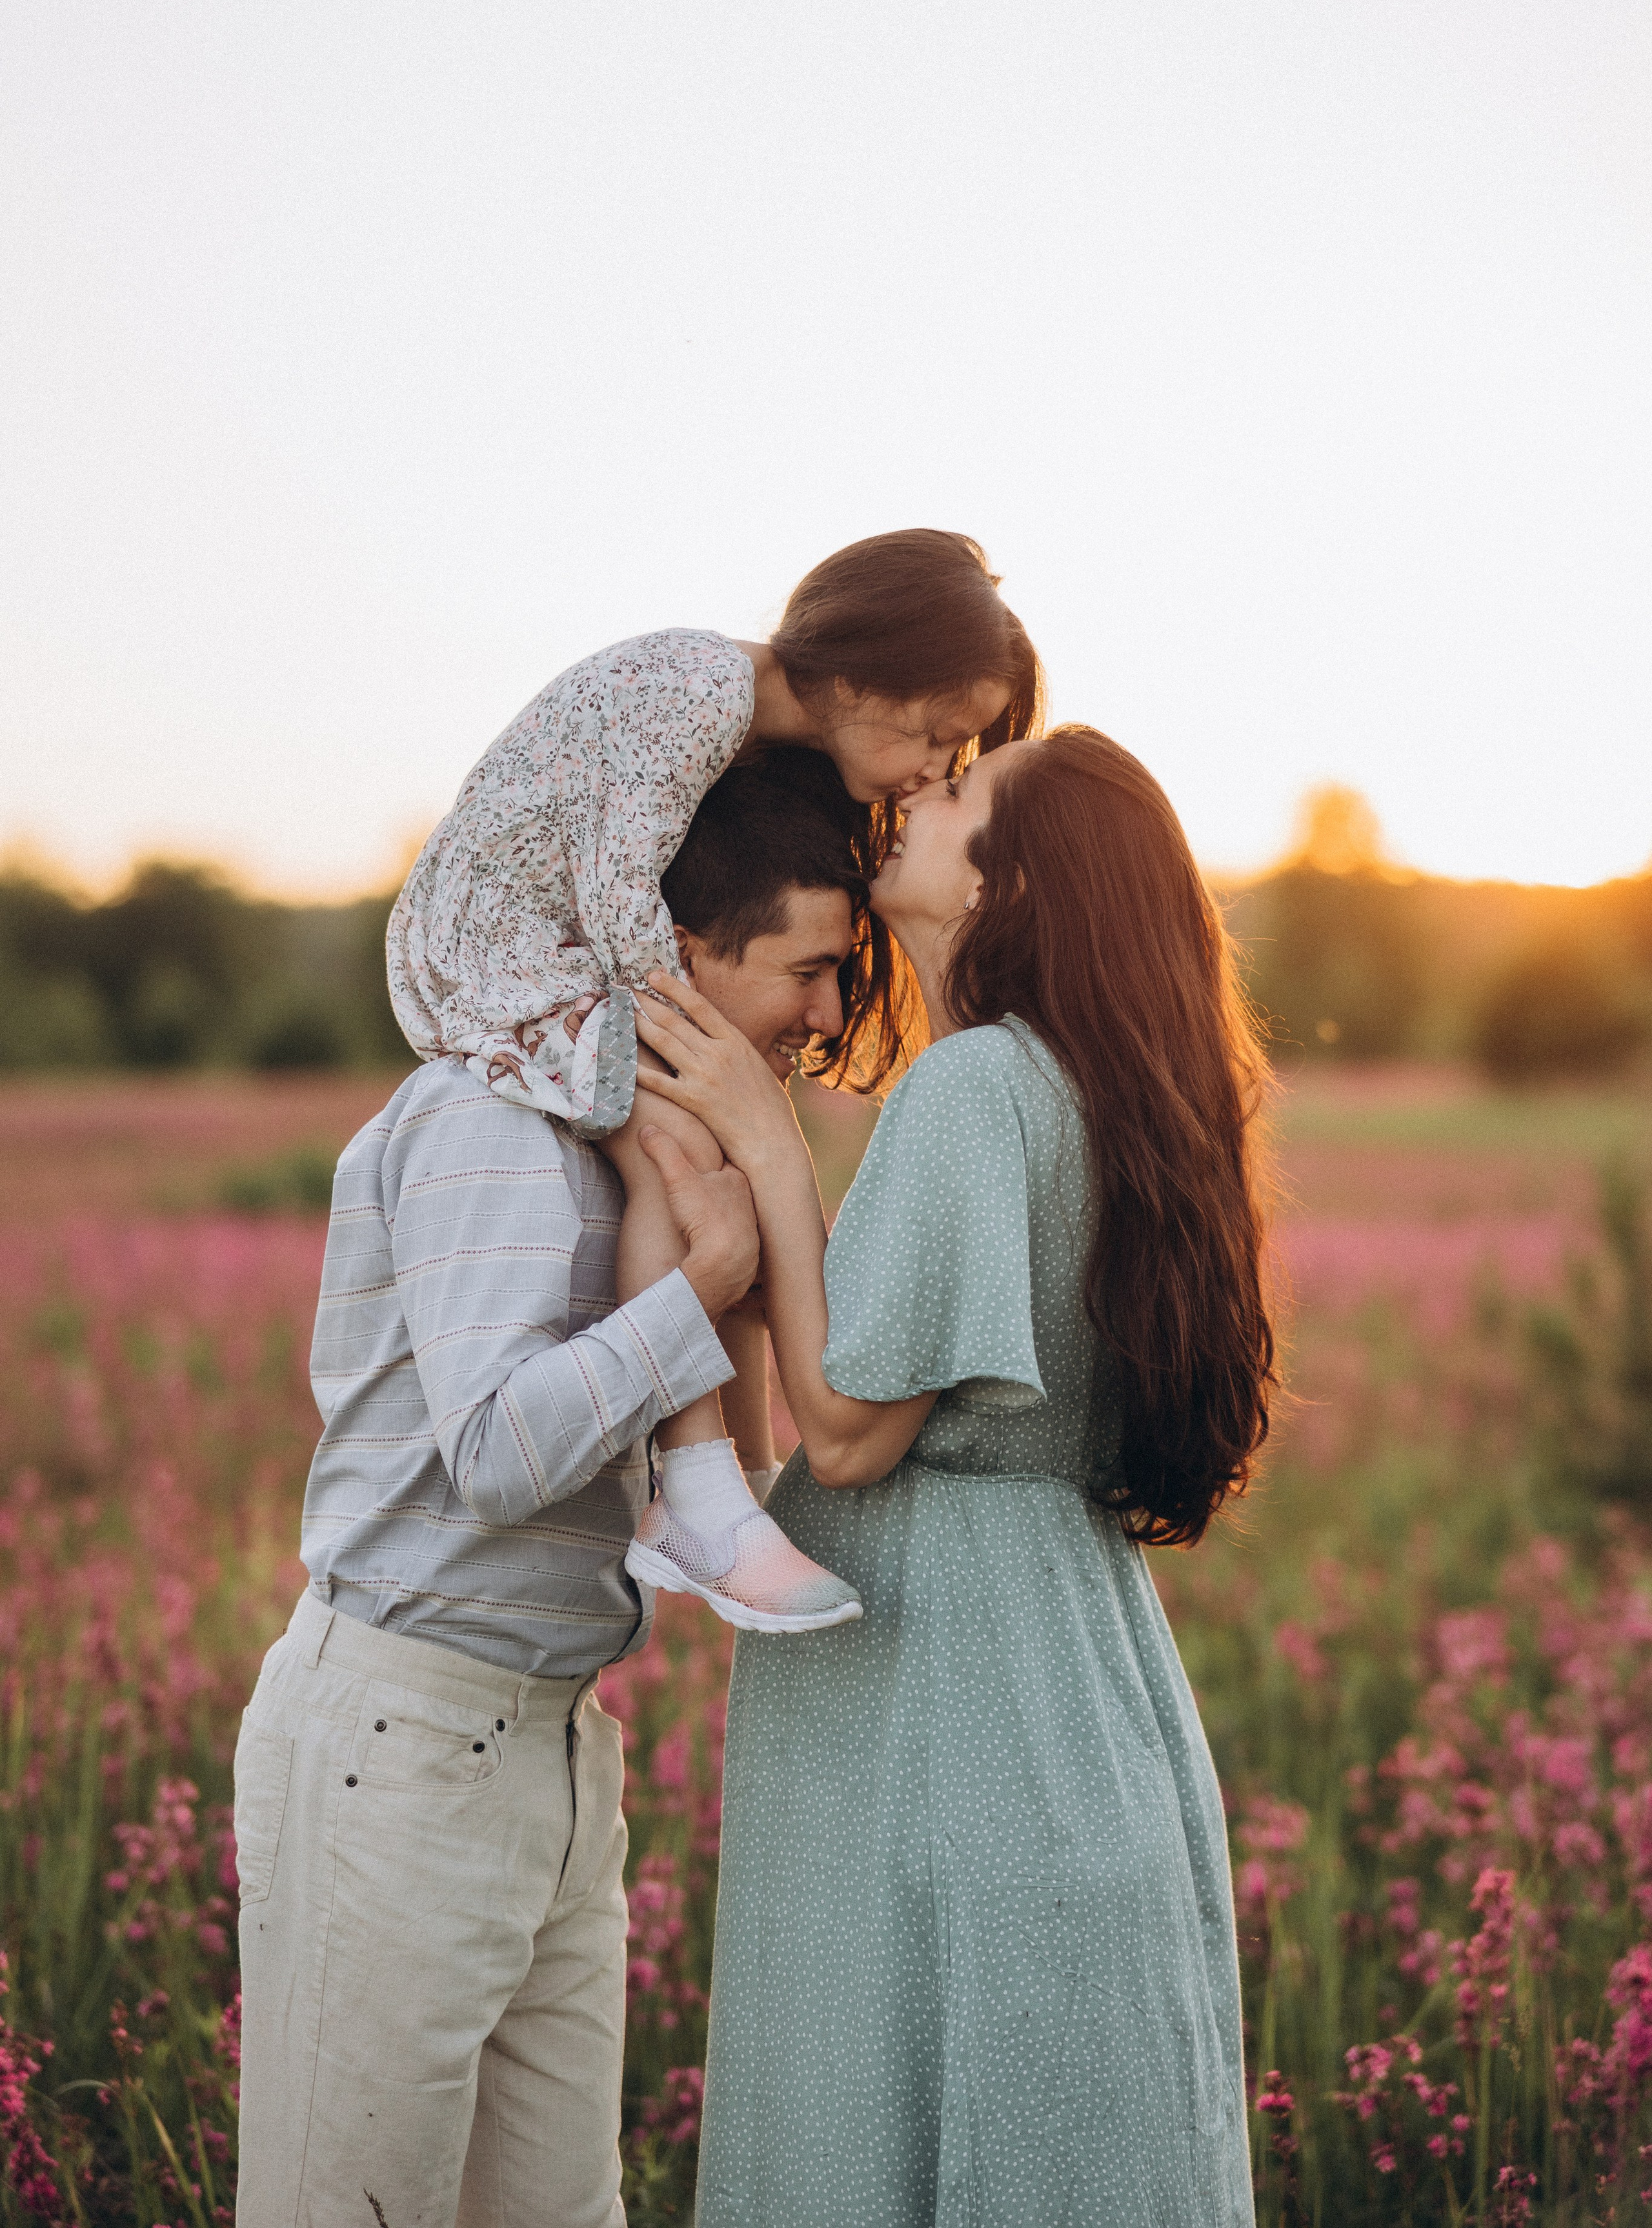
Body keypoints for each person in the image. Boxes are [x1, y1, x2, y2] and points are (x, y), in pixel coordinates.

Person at [232, 746, 909, 2228]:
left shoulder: (655, 1154)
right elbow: (488, 1456)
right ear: (678, 955)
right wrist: (704, 1292)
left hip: (552, 1750)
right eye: (804, 969)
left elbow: (758, 1466)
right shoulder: (493, 1123)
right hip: (399, 1748)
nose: (823, 1014)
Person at [632, 725, 1276, 2228]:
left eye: (956, 796)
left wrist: (767, 1154)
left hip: (945, 1696)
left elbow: (845, 1436)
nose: (911, 801)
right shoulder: (1109, 1089)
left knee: (887, 2132)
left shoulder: (976, 1088)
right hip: (1080, 1670)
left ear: (1014, 880)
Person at [386, 528, 1042, 1631]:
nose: (936, 770)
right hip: (499, 950)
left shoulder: (745, 737)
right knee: (680, 1146)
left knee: (707, 1139)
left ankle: (735, 1484)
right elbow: (613, 884)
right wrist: (697, 1045)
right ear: (851, 676)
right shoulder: (699, 689)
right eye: (933, 735)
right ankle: (696, 1494)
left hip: (553, 948)